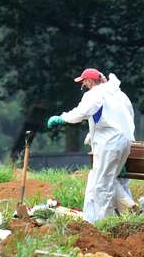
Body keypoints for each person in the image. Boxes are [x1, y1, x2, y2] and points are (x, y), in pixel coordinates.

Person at [47, 68, 135, 223]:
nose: (84, 86)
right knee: (102, 181)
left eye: (84, 82)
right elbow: (122, 119)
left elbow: (82, 112)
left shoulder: (95, 93)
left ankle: (104, 223)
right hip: (123, 142)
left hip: (109, 143)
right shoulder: (118, 94)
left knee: (102, 185)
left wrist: (63, 118)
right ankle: (100, 219)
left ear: (89, 81)